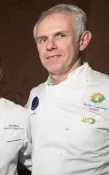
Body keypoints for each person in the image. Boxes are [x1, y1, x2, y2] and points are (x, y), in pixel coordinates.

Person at [26, 3, 109, 174]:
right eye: (43, 39)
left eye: (60, 35)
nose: (50, 46)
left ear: (83, 40)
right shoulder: (36, 94)